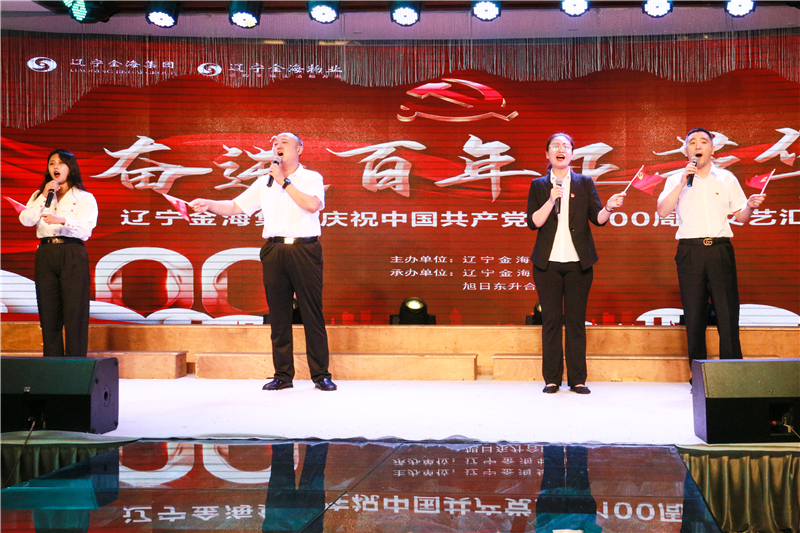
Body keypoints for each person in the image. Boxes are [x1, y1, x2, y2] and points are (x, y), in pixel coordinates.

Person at [190, 132, 336, 391]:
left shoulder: (311, 178)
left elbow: (312, 205)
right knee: (278, 314)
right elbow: (235, 207)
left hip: (305, 249)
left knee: (311, 312)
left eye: (284, 143)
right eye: (275, 144)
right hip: (274, 250)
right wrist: (209, 204)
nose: (278, 146)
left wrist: (284, 182)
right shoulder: (264, 182)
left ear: (299, 149)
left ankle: (321, 375)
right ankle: (283, 375)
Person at [656, 127, 765, 376]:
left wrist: (749, 206)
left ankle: (732, 375)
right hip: (690, 251)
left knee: (727, 313)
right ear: (686, 150)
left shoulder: (727, 178)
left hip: (719, 249)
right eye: (692, 142)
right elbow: (662, 211)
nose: (698, 146)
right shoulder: (676, 179)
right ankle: (699, 376)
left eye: (703, 141)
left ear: (712, 149)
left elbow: (741, 216)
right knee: (694, 316)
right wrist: (683, 182)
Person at [526, 133, 626, 394]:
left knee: (575, 321)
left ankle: (578, 379)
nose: (560, 150)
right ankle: (551, 379)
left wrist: (609, 208)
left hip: (578, 264)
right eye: (555, 146)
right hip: (547, 264)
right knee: (550, 321)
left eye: (565, 146)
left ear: (572, 153)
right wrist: (551, 199)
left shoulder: (584, 183)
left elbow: (597, 219)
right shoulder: (538, 185)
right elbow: (533, 222)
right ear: (547, 154)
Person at [18, 149, 98, 358]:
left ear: (70, 168)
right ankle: (52, 363)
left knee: (75, 311)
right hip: (46, 252)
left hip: (72, 251)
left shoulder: (84, 197)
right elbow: (26, 220)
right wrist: (44, 195)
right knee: (48, 310)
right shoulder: (40, 195)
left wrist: (63, 220)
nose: (55, 167)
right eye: (52, 163)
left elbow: (86, 229)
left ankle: (75, 364)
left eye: (61, 163)